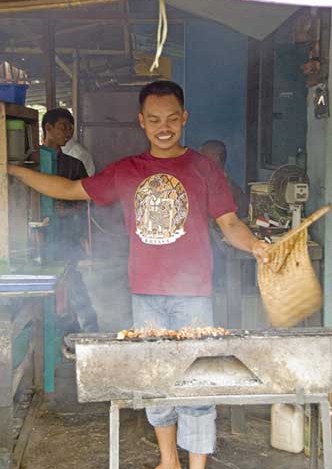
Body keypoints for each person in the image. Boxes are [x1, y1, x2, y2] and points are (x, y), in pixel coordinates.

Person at [8, 81, 269, 469]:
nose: (163, 127)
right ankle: (169, 460)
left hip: (193, 294)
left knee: (197, 382)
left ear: (184, 118)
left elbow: (230, 224)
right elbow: (69, 188)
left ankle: (196, 465)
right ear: (141, 122)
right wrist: (13, 169)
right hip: (145, 293)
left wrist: (257, 247)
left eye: (171, 118)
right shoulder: (128, 171)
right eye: (154, 119)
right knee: (155, 378)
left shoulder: (203, 169)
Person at [40, 108, 99, 333]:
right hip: (40, 236)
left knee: (72, 280)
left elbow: (87, 200)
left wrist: (66, 209)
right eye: (64, 127)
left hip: (68, 234)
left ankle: (88, 327)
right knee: (46, 285)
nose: (68, 132)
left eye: (70, 128)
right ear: (48, 128)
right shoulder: (33, 162)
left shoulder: (75, 165)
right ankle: (54, 327)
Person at [200, 139, 249, 218]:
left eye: (203, 157)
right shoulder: (207, 184)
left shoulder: (227, 189)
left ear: (217, 158)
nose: (199, 161)